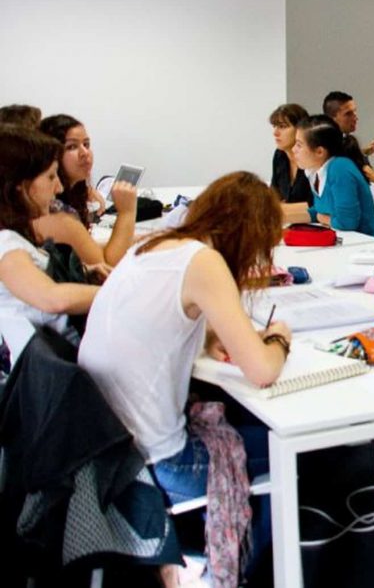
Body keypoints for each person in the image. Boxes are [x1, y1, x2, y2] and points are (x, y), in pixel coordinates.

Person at [78, 171, 290, 587]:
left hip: (108, 450)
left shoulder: (155, 246)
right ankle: (242, 569)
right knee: (290, 450)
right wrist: (281, 336)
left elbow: (174, 319)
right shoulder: (204, 262)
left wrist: (214, 336)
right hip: (159, 462)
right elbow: (263, 370)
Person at [0, 127, 98, 348]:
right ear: (20, 186)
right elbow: (53, 299)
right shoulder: (8, 247)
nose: (59, 187)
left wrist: (85, 271)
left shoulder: (13, 238)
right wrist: (117, 290)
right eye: (51, 177)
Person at [34, 114, 138, 269]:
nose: (85, 153)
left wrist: (143, 239)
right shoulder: (56, 214)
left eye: (86, 144)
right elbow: (107, 268)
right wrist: (127, 213)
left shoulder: (72, 197)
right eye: (71, 147)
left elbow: (86, 251)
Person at [281, 116, 374, 236]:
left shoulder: (340, 168)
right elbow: (319, 212)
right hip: (344, 241)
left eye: (299, 145)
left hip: (363, 244)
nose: (293, 149)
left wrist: (321, 217)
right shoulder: (315, 171)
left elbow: (346, 223)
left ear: (320, 152)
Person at [322, 91, 374, 184]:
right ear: (332, 118)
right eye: (348, 114)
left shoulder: (322, 141)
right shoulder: (343, 146)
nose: (355, 117)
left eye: (355, 111)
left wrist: (364, 152)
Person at [269, 103, 313, 205]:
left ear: (300, 129)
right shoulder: (279, 155)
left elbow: (315, 205)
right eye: (274, 126)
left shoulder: (313, 158)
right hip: (288, 219)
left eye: (282, 126)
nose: (275, 133)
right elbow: (274, 195)